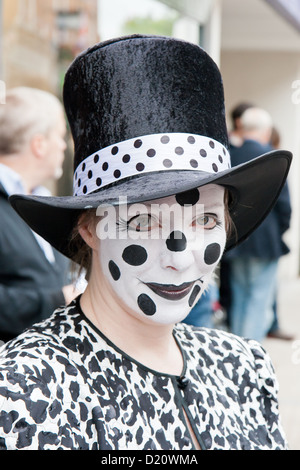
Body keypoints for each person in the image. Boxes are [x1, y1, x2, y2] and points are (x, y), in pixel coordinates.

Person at [0, 35, 292, 450]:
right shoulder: (24, 392)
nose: (181, 258)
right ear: (89, 227)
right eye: (143, 222)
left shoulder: (244, 365)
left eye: (206, 218)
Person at [0, 87, 79, 343]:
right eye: (59, 135)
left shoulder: (42, 203)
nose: (65, 145)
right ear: (39, 145)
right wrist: (57, 301)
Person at [225, 107, 292, 342]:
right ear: (266, 131)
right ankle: (250, 355)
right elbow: (284, 206)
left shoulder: (230, 155)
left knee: (241, 295)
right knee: (258, 299)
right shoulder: (274, 156)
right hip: (265, 241)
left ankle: (236, 350)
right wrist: (279, 232)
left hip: (235, 238)